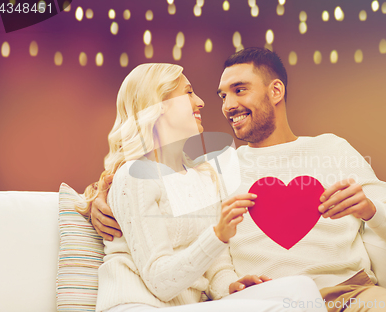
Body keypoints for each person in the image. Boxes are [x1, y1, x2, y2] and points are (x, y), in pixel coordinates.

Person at [90, 49, 386, 312]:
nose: (227, 106)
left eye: (239, 90)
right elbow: (145, 195)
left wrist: (371, 210)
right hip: (268, 302)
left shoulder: (331, 149)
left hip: (352, 294)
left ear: (275, 90)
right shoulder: (213, 168)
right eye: (223, 96)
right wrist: (96, 202)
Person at [83, 63, 327, 312]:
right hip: (138, 305)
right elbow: (161, 283)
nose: (200, 102)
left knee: (300, 288)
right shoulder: (135, 176)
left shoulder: (203, 176)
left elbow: (216, 268)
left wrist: (231, 286)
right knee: (296, 297)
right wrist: (217, 235)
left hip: (186, 308)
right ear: (159, 107)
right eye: (188, 93)